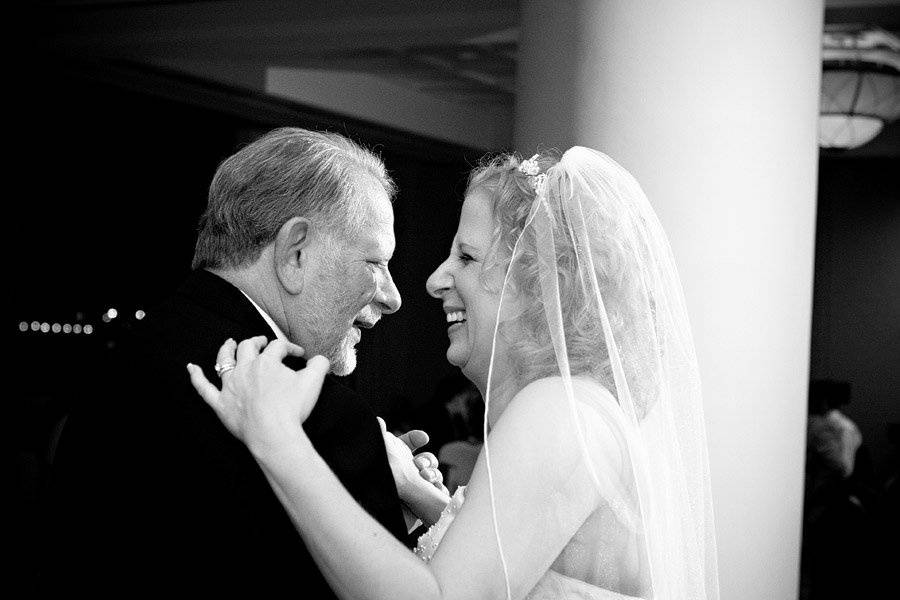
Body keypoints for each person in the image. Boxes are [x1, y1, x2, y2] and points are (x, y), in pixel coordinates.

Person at [188, 148, 720, 599]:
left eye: (466, 256)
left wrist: (277, 438)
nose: (435, 279)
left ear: (534, 283)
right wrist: (422, 497)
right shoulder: (575, 408)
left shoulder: (561, 411)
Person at [46, 128, 445, 596]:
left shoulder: (124, 359)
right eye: (376, 263)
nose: (393, 297)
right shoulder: (319, 417)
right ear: (295, 252)